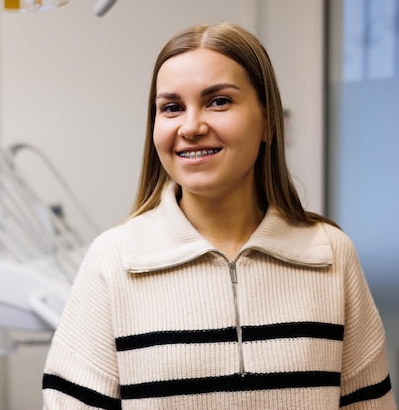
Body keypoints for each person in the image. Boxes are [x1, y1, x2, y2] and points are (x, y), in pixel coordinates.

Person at [41, 22, 396, 409]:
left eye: (219, 101)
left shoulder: (329, 254)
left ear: (269, 122)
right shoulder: (114, 261)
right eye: (172, 108)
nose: (191, 127)